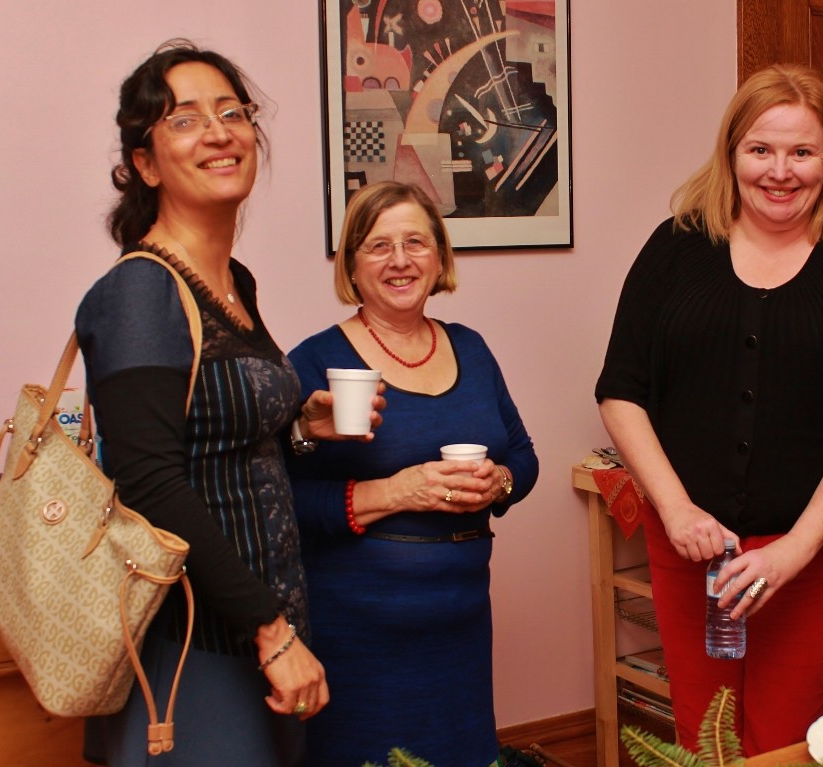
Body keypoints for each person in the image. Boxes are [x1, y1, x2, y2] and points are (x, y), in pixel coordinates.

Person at [76, 40, 383, 766]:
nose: (218, 132)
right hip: (191, 643)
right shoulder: (141, 291)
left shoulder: (231, 281)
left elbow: (215, 438)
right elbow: (149, 482)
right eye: (184, 120)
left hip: (255, 629)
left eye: (232, 113)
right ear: (146, 164)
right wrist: (270, 632)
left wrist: (298, 425)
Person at [595, 64, 823, 753]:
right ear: (731, 153)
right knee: (706, 737)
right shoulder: (676, 246)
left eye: (802, 151)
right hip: (691, 548)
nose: (780, 171)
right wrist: (676, 510)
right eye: (761, 149)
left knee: (781, 743)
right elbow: (621, 390)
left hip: (806, 555)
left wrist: (796, 548)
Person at [285, 180, 539, 766]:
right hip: (357, 633)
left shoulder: (471, 349)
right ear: (352, 265)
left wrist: (498, 483)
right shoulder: (315, 362)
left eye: (416, 243)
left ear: (440, 257)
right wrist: (399, 491)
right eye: (379, 246)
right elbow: (283, 501)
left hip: (461, 626)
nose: (400, 260)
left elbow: (524, 456)